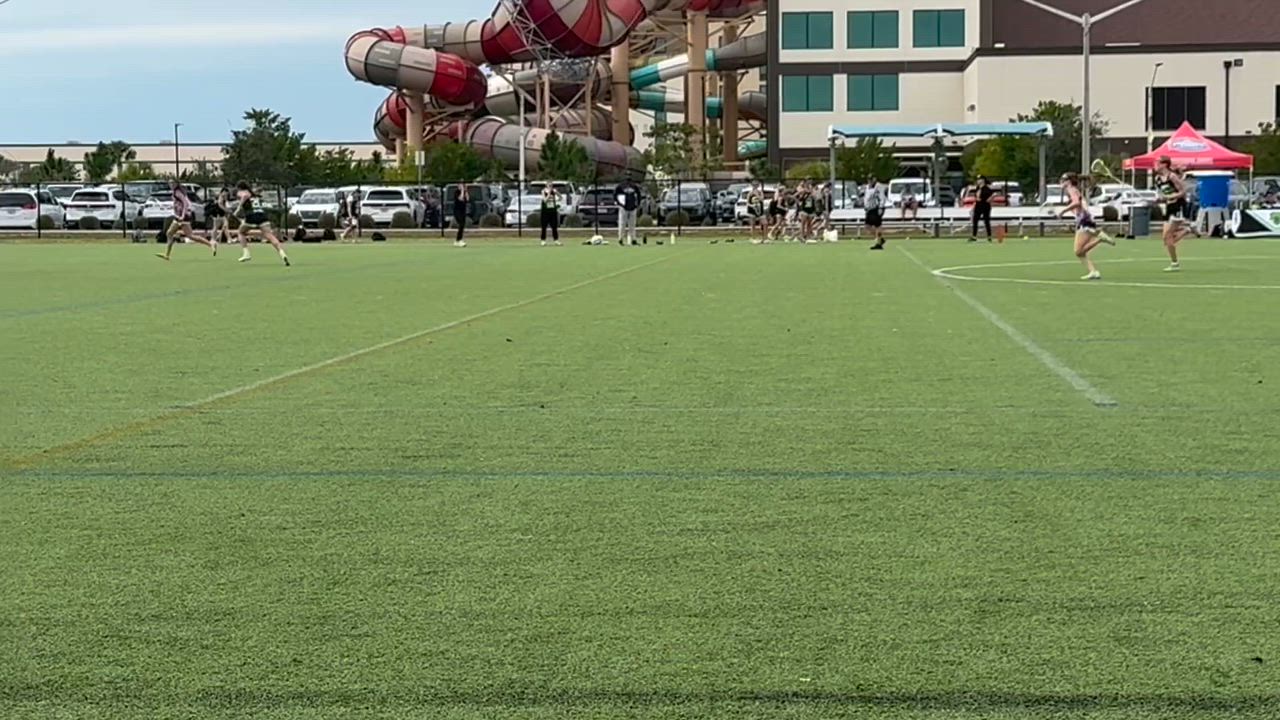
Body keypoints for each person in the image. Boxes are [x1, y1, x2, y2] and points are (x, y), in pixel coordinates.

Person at [1060, 173, 1113, 280]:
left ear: (1068, 181)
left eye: (1063, 179)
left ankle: (1100, 239)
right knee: (1079, 252)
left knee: (1078, 251)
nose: (1061, 182)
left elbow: (1076, 202)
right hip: (1084, 220)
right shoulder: (1073, 190)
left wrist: (1063, 211)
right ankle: (1093, 271)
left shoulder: (1071, 189)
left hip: (1085, 221)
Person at [231, 182, 290, 266]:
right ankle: (282, 253)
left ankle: (246, 253)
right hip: (262, 216)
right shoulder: (253, 193)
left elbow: (244, 196)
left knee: (241, 232)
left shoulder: (243, 192)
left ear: (239, 187)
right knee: (270, 236)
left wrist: (238, 208)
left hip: (252, 216)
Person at [155, 182, 216, 261]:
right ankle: (167, 255)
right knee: (170, 233)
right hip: (179, 216)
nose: (171, 185)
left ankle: (210, 244)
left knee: (189, 235)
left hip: (182, 217)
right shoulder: (176, 192)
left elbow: (185, 203)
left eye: (172, 183)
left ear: (176, 184)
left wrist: (183, 215)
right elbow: (178, 204)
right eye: (170, 183)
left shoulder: (177, 192)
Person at [1155, 157, 1190, 272]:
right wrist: (1160, 199)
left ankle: (1175, 263)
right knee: (1165, 239)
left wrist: (1170, 197)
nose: (1155, 165)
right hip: (1169, 207)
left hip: (1178, 206)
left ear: (1164, 165)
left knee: (1168, 236)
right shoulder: (1157, 179)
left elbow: (1183, 191)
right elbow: (1163, 193)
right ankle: (1186, 230)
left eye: (1158, 163)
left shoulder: (1172, 176)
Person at [615, 178, 641, 246]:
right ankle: (620, 239)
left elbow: (639, 195)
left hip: (632, 207)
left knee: (632, 225)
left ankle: (633, 239)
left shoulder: (634, 186)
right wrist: (619, 204)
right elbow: (615, 195)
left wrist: (637, 204)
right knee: (622, 224)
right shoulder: (621, 186)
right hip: (623, 207)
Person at [970, 176, 995, 242]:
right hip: (978, 205)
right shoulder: (977, 188)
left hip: (985, 206)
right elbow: (976, 196)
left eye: (979, 180)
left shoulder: (987, 188)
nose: (978, 181)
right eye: (977, 180)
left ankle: (989, 236)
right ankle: (974, 236)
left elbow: (992, 195)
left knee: (986, 221)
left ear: (983, 180)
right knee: (975, 220)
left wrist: (990, 198)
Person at [864, 177, 887, 250]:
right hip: (869, 209)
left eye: (871, 179)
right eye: (869, 179)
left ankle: (879, 243)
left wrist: (881, 207)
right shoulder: (867, 187)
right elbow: (866, 197)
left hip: (876, 208)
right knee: (867, 226)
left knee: (877, 226)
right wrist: (866, 207)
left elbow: (882, 197)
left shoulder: (878, 187)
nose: (870, 181)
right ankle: (880, 239)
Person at [452, 183, 469, 247]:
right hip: (457, 211)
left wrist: (466, 191)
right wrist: (462, 191)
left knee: (462, 225)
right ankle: (459, 240)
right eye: (460, 186)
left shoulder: (464, 193)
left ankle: (458, 240)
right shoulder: (456, 192)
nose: (462, 187)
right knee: (461, 224)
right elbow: (460, 198)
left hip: (463, 211)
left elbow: (467, 199)